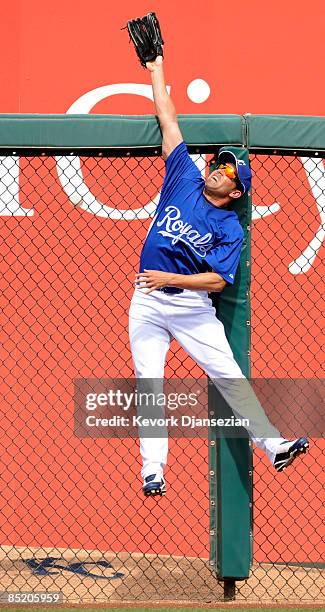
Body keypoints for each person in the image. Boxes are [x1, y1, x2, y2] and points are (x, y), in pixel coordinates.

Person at [128, 56, 309, 497]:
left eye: (228, 169)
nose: (218, 167)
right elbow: (168, 119)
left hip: (190, 307)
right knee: (149, 382)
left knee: (228, 374)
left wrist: (169, 279)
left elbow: (217, 283)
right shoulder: (184, 178)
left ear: (236, 191)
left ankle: (274, 444)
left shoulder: (229, 228)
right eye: (219, 162)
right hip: (149, 304)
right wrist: (155, 69)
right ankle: (153, 470)